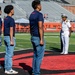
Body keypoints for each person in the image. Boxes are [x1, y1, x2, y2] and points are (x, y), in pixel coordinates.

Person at [29, 0, 45, 75]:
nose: (41, 6)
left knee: (35, 55)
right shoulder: (39, 14)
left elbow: (31, 27)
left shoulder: (31, 14)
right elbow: (40, 27)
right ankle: (36, 72)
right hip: (38, 37)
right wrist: (41, 39)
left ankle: (33, 70)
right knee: (39, 56)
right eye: (40, 5)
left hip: (33, 36)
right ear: (38, 5)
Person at [4, 5, 18, 74]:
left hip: (5, 37)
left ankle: (6, 68)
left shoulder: (5, 18)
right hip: (9, 37)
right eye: (13, 9)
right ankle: (9, 69)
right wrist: (11, 39)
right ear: (10, 10)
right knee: (10, 54)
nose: (13, 11)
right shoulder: (11, 19)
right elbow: (11, 29)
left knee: (7, 54)